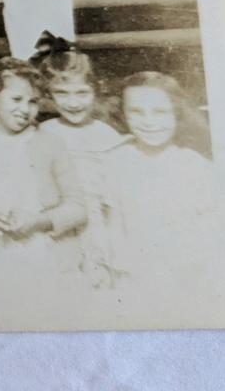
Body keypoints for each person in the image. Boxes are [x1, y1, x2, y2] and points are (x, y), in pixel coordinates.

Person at [0, 58, 87, 292]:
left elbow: (78, 207)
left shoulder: (50, 143)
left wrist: (39, 221)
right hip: (0, 257)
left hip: (50, 257)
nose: (25, 109)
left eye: (32, 102)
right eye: (16, 99)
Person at [107, 72, 213, 292]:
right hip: (134, 274)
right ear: (123, 114)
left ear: (177, 113)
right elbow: (115, 223)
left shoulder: (194, 164)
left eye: (160, 112)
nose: (148, 122)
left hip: (187, 274)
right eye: (136, 112)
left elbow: (207, 229)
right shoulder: (116, 161)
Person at [37, 50, 130, 288]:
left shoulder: (106, 135)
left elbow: (116, 195)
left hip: (97, 224)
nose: (73, 103)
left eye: (82, 93)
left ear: (96, 91)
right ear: (49, 94)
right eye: (62, 93)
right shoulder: (44, 132)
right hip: (58, 224)